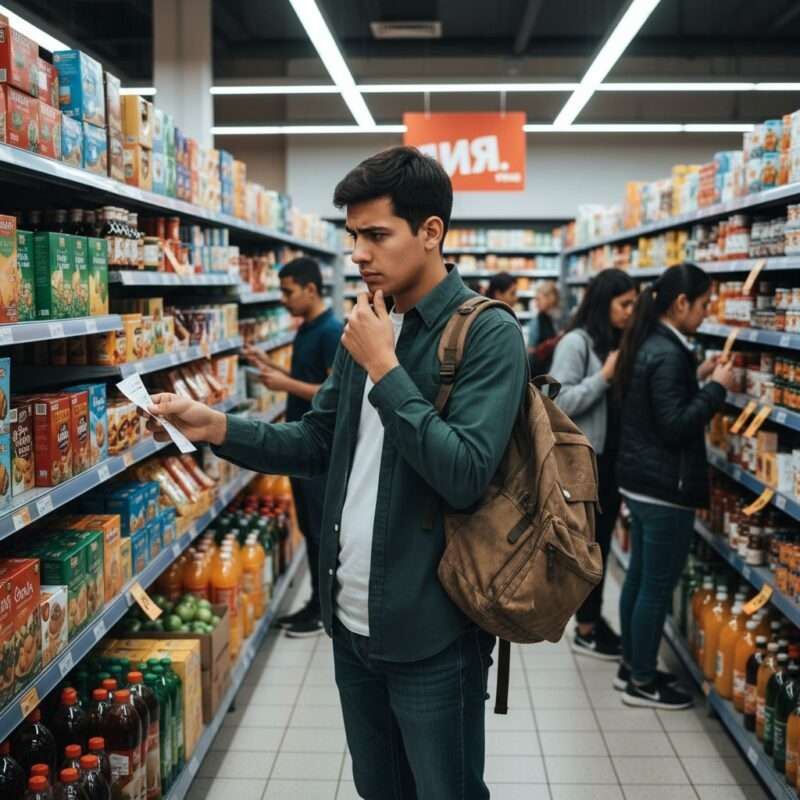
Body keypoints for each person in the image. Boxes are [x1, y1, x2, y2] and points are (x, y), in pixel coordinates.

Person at [145, 145, 527, 799]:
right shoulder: (366, 324)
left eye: (377, 234)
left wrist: (385, 367)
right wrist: (215, 426)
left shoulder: (487, 335)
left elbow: (463, 471)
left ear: (431, 231)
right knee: (378, 788)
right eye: (353, 236)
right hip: (350, 622)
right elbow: (318, 441)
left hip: (435, 629)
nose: (359, 253)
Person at [614, 263, 736, 710]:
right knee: (655, 585)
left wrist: (699, 374)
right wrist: (717, 390)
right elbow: (674, 425)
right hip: (664, 487)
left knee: (641, 577)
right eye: (705, 305)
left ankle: (631, 666)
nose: (708, 313)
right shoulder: (666, 352)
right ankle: (642, 681)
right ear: (681, 303)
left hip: (642, 482)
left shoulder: (658, 344)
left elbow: (663, 401)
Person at [243, 256, 343, 638]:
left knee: (319, 532)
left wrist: (286, 386)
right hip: (301, 443)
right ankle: (317, 604)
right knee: (309, 528)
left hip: (319, 449)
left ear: (311, 289)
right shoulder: (308, 328)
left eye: (288, 292)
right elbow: (306, 379)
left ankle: (323, 610)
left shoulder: (332, 331)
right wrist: (273, 368)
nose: (283, 299)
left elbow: (333, 394)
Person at [549, 268, 636, 660]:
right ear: (604, 304)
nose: (631, 311)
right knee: (590, 546)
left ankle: (592, 619)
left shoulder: (617, 342)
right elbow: (558, 401)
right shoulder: (576, 343)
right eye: (624, 304)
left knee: (599, 545)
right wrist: (603, 377)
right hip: (586, 465)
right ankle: (584, 627)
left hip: (613, 462)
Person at [528, 279, 560, 375]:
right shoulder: (537, 321)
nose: (536, 303)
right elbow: (530, 351)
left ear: (550, 298)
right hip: (541, 372)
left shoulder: (559, 318)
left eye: (538, 299)